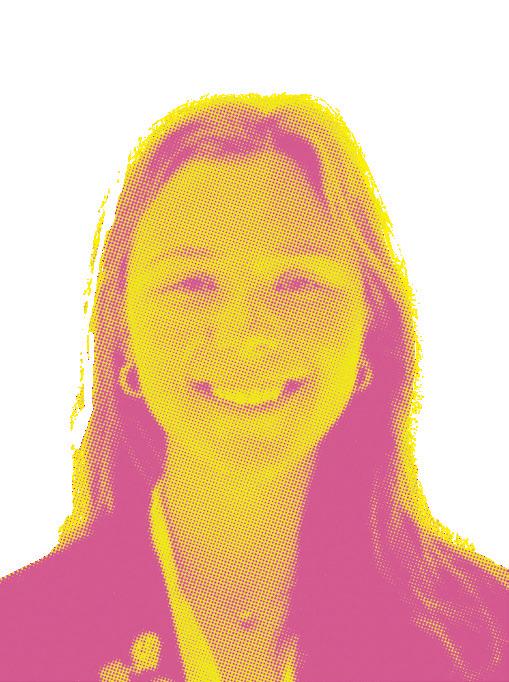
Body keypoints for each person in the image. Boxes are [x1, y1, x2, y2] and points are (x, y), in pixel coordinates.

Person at [0, 93, 507, 682]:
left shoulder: (488, 639)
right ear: (124, 340)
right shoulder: (17, 637)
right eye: (191, 284)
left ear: (371, 334)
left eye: (297, 284)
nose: (244, 336)